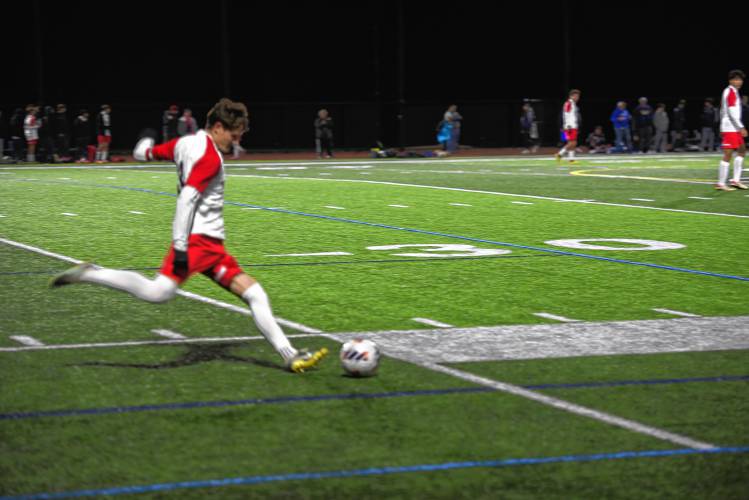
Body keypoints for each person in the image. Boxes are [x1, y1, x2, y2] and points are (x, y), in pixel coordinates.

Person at [50, 98, 328, 373]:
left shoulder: (185, 143)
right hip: (199, 242)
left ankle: (290, 355)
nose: (236, 140)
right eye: (234, 134)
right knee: (157, 292)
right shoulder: (209, 156)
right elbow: (187, 198)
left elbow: (142, 154)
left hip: (210, 245)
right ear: (218, 126)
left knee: (254, 293)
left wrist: (145, 139)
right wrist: (181, 247)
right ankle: (91, 273)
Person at [716, 69, 747, 191]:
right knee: (728, 155)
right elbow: (731, 112)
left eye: (740, 79)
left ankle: (735, 180)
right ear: (730, 81)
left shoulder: (733, 92)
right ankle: (721, 183)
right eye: (736, 79)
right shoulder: (730, 92)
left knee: (742, 150)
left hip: (733, 127)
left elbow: (722, 111)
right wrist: (741, 127)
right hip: (731, 127)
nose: (738, 82)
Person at [556, 89, 581, 164]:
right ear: (571, 96)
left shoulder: (573, 104)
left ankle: (571, 159)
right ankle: (559, 154)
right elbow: (566, 115)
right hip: (570, 126)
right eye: (575, 96)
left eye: (578, 96)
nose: (577, 97)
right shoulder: (568, 103)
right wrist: (568, 125)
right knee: (572, 143)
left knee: (573, 142)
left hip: (573, 125)